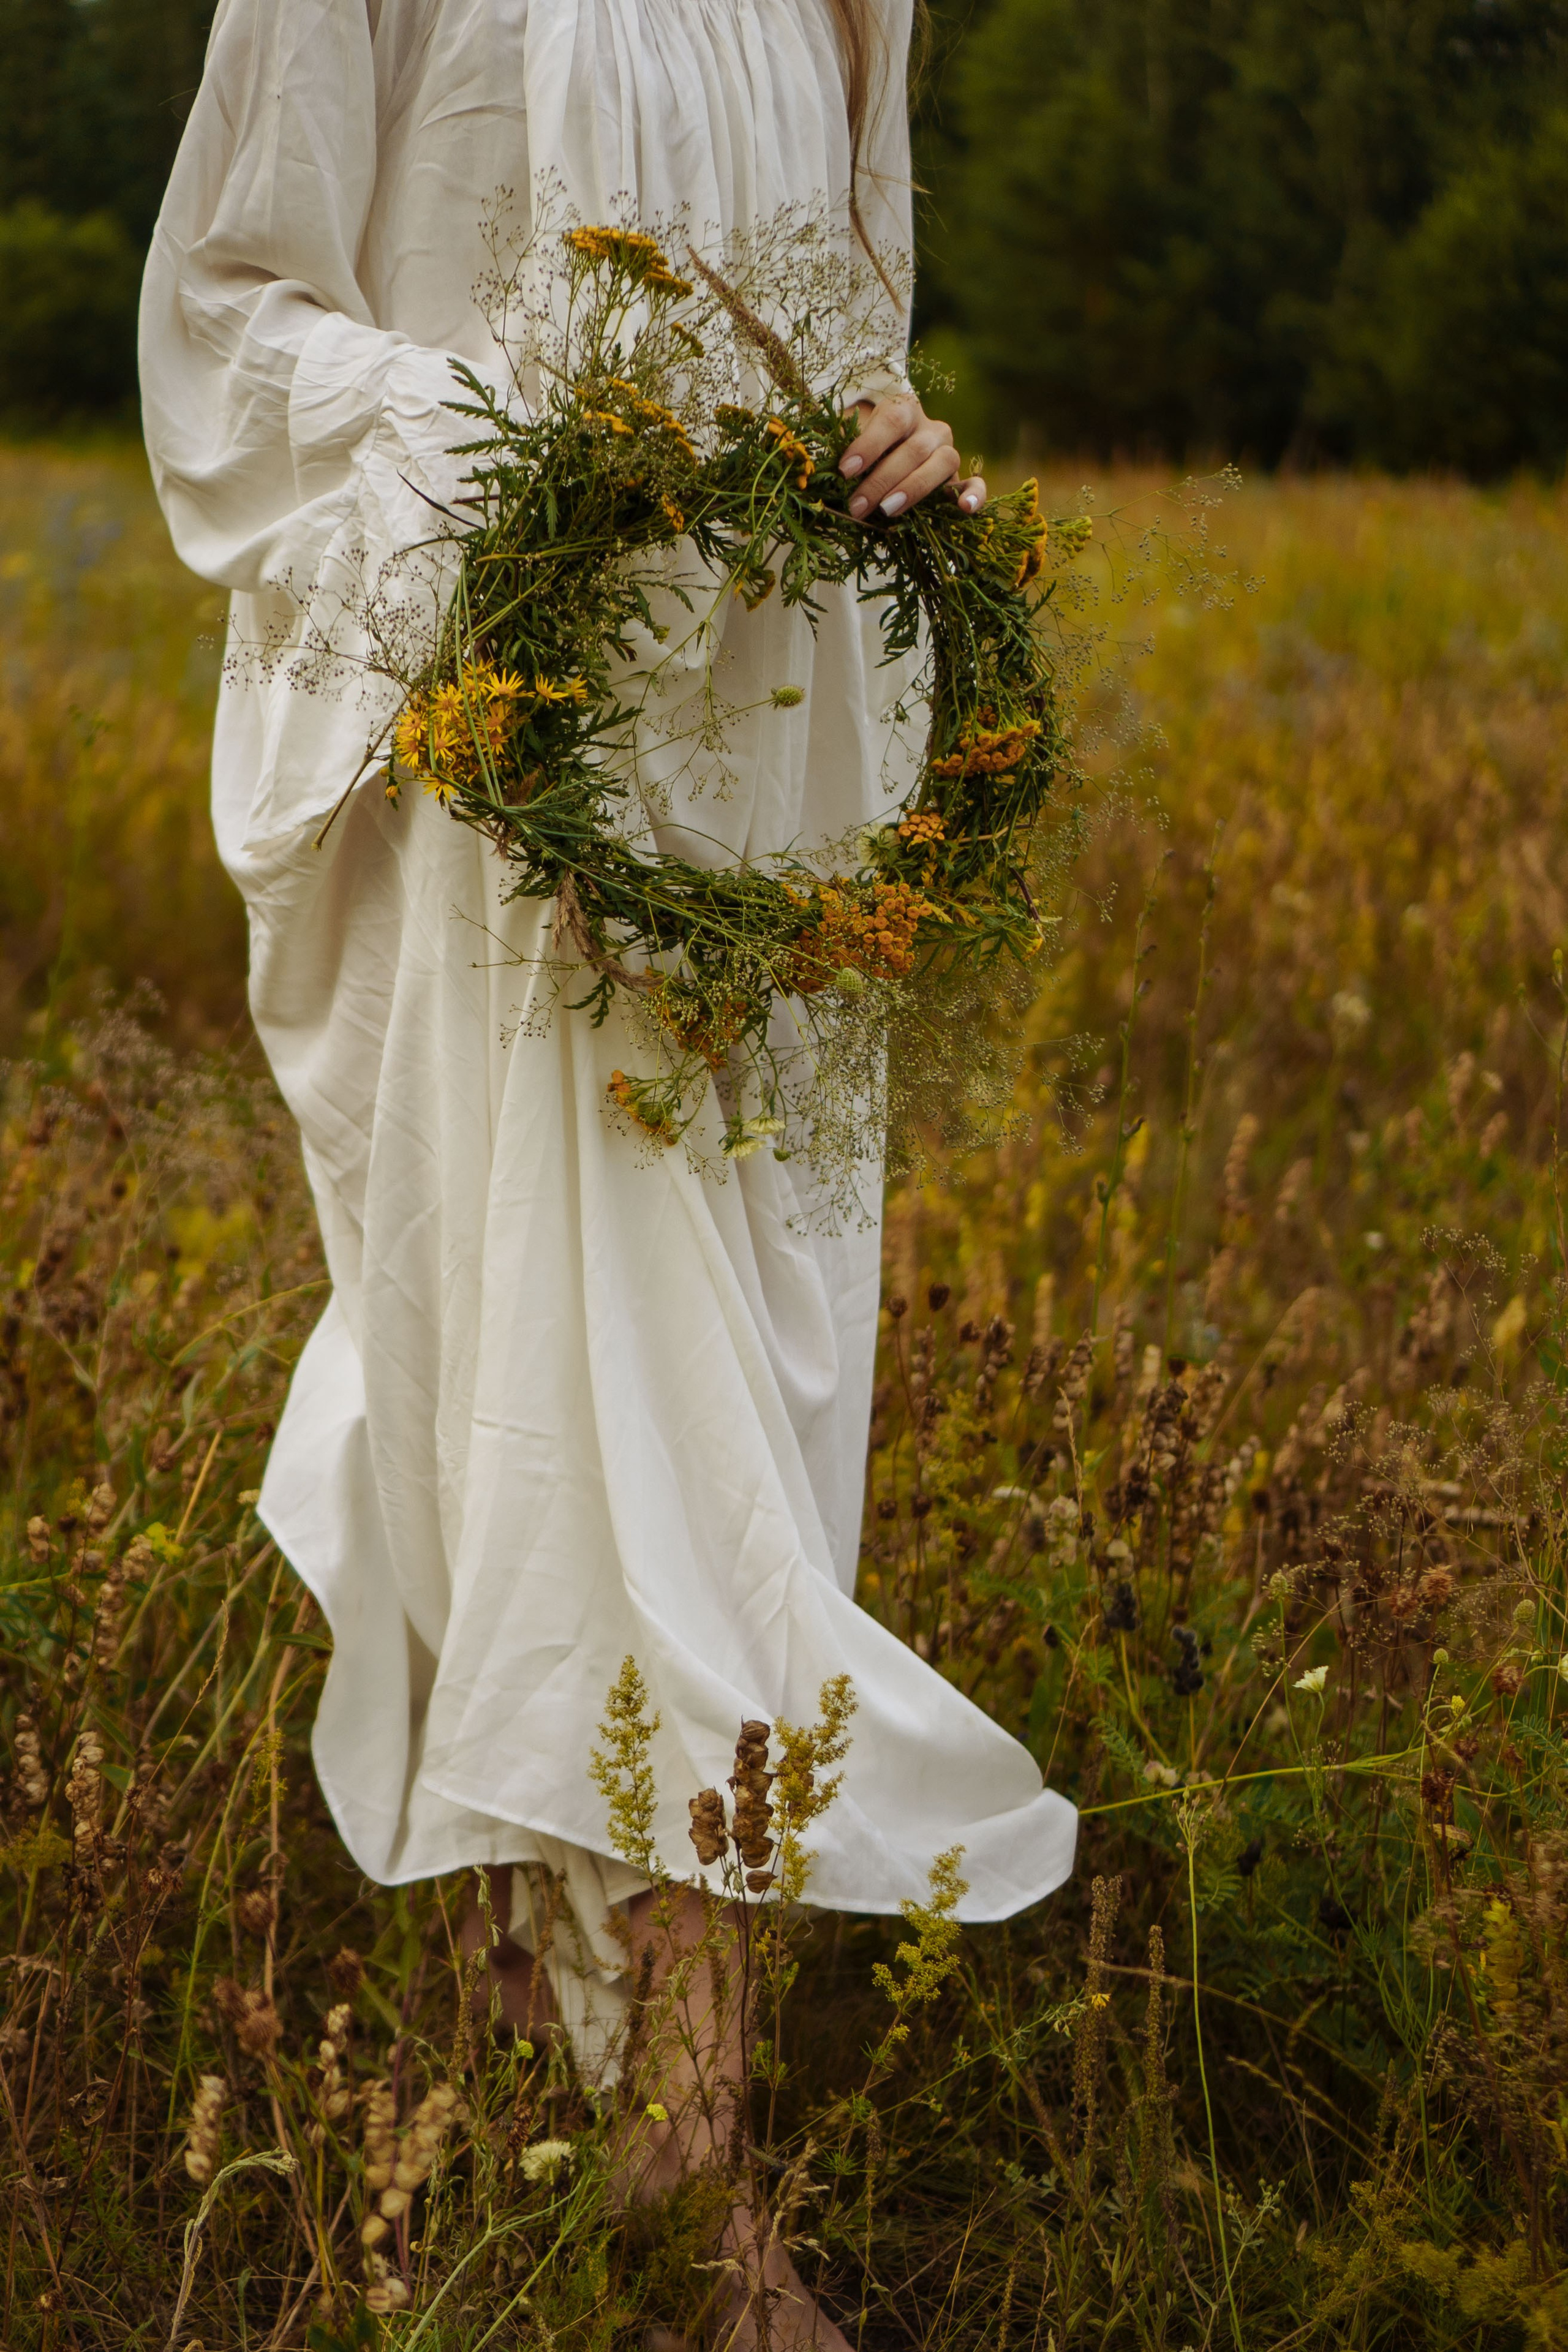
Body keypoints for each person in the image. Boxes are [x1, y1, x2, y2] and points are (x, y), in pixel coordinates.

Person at [141, 1, 1076, 2340]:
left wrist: (898, 438)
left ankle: (533, 2092)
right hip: (507, 772)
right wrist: (515, 434)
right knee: (603, 1442)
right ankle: (683, 2201)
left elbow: (837, 321)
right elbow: (224, 326)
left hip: (779, 793)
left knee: (746, 1428)